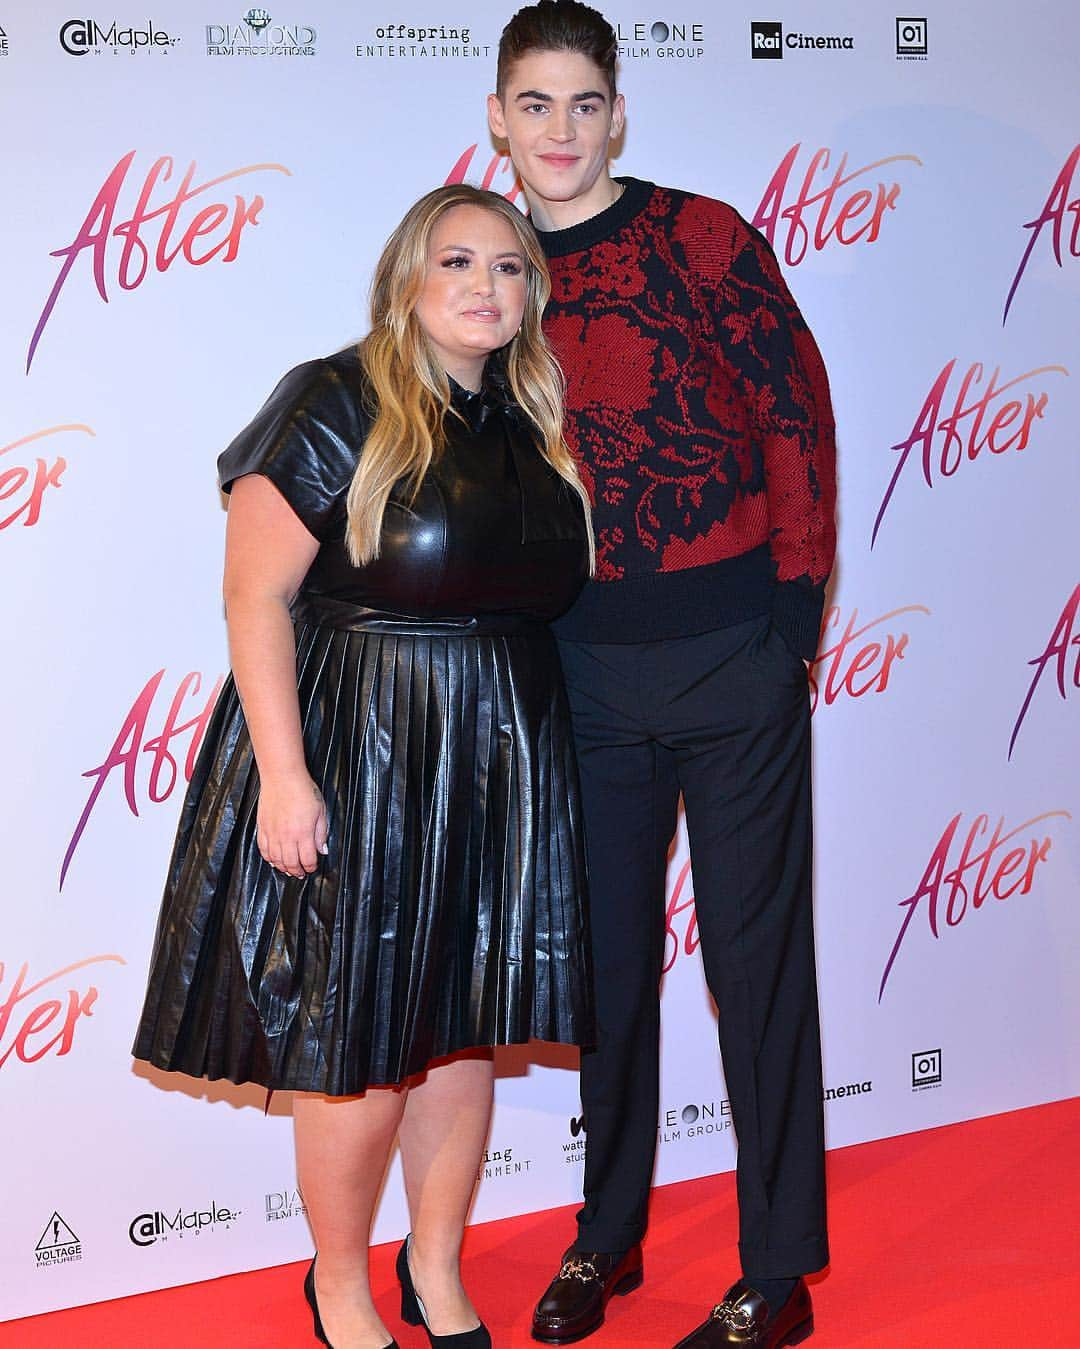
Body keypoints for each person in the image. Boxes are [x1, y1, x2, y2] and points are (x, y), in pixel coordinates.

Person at [132, 183, 595, 1349]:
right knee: (361, 1039)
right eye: (459, 262)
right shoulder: (334, 398)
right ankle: (339, 1281)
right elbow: (256, 594)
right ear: (407, 278)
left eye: (511, 267)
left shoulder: (532, 418)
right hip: (363, 745)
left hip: (497, 752)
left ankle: (434, 1266)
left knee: (461, 1030)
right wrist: (286, 777)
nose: (487, 286)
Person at [487, 5, 837, 1347]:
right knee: (607, 971)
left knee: (755, 967)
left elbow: (794, 412)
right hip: (582, 676)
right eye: (536, 104)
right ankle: (606, 1238)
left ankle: (779, 1270)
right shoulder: (492, 271)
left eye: (585, 104)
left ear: (617, 116)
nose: (562, 131)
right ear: (500, 121)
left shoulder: (704, 237)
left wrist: (792, 621)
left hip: (734, 660)